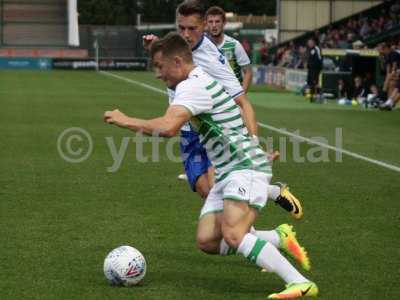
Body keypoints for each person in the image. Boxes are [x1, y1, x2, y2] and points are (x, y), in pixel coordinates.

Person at [104, 32, 318, 299]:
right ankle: (278, 237)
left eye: (160, 67)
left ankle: (300, 283)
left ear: (178, 62)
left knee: (233, 233)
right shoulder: (191, 81)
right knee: (207, 241)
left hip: (244, 167)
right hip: (230, 169)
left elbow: (169, 127)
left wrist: (125, 120)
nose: (158, 74)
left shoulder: (193, 86)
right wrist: (158, 48)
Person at [143, 0, 302, 219]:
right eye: (181, 28)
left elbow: (243, 103)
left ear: (204, 26)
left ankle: (261, 224)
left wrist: (253, 143)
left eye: (192, 28)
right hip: (189, 132)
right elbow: (165, 61)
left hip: (213, 130)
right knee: (205, 192)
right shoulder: (177, 46)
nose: (186, 34)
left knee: (221, 196)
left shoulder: (211, 59)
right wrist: (153, 47)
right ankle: (271, 195)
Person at [205, 6, 253, 94]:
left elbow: (248, 72)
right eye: (210, 22)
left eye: (217, 21)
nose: (214, 25)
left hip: (232, 97)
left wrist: (242, 95)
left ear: (224, 23)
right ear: (206, 24)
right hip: (211, 97)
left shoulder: (234, 45)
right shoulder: (202, 46)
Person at [306, 38, 323, 102]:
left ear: (313, 43)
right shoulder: (311, 50)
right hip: (310, 69)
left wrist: (319, 68)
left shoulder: (317, 49)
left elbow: (320, 58)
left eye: (309, 43)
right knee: (310, 83)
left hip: (315, 69)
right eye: (308, 43)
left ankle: (319, 96)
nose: (308, 44)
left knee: (315, 82)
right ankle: (312, 96)